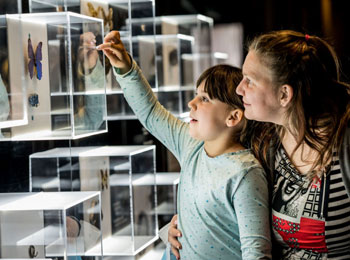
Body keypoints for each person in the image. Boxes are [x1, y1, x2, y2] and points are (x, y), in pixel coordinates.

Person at [170, 29, 350, 259]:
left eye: (250, 81)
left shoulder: (344, 145)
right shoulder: (263, 141)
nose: (239, 88)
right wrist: (180, 228)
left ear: (284, 95)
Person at [97, 30, 272, 259]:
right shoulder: (192, 146)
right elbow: (150, 112)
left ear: (233, 117)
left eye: (205, 98)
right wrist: (126, 68)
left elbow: (256, 253)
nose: (192, 103)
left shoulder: (245, 174)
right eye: (196, 95)